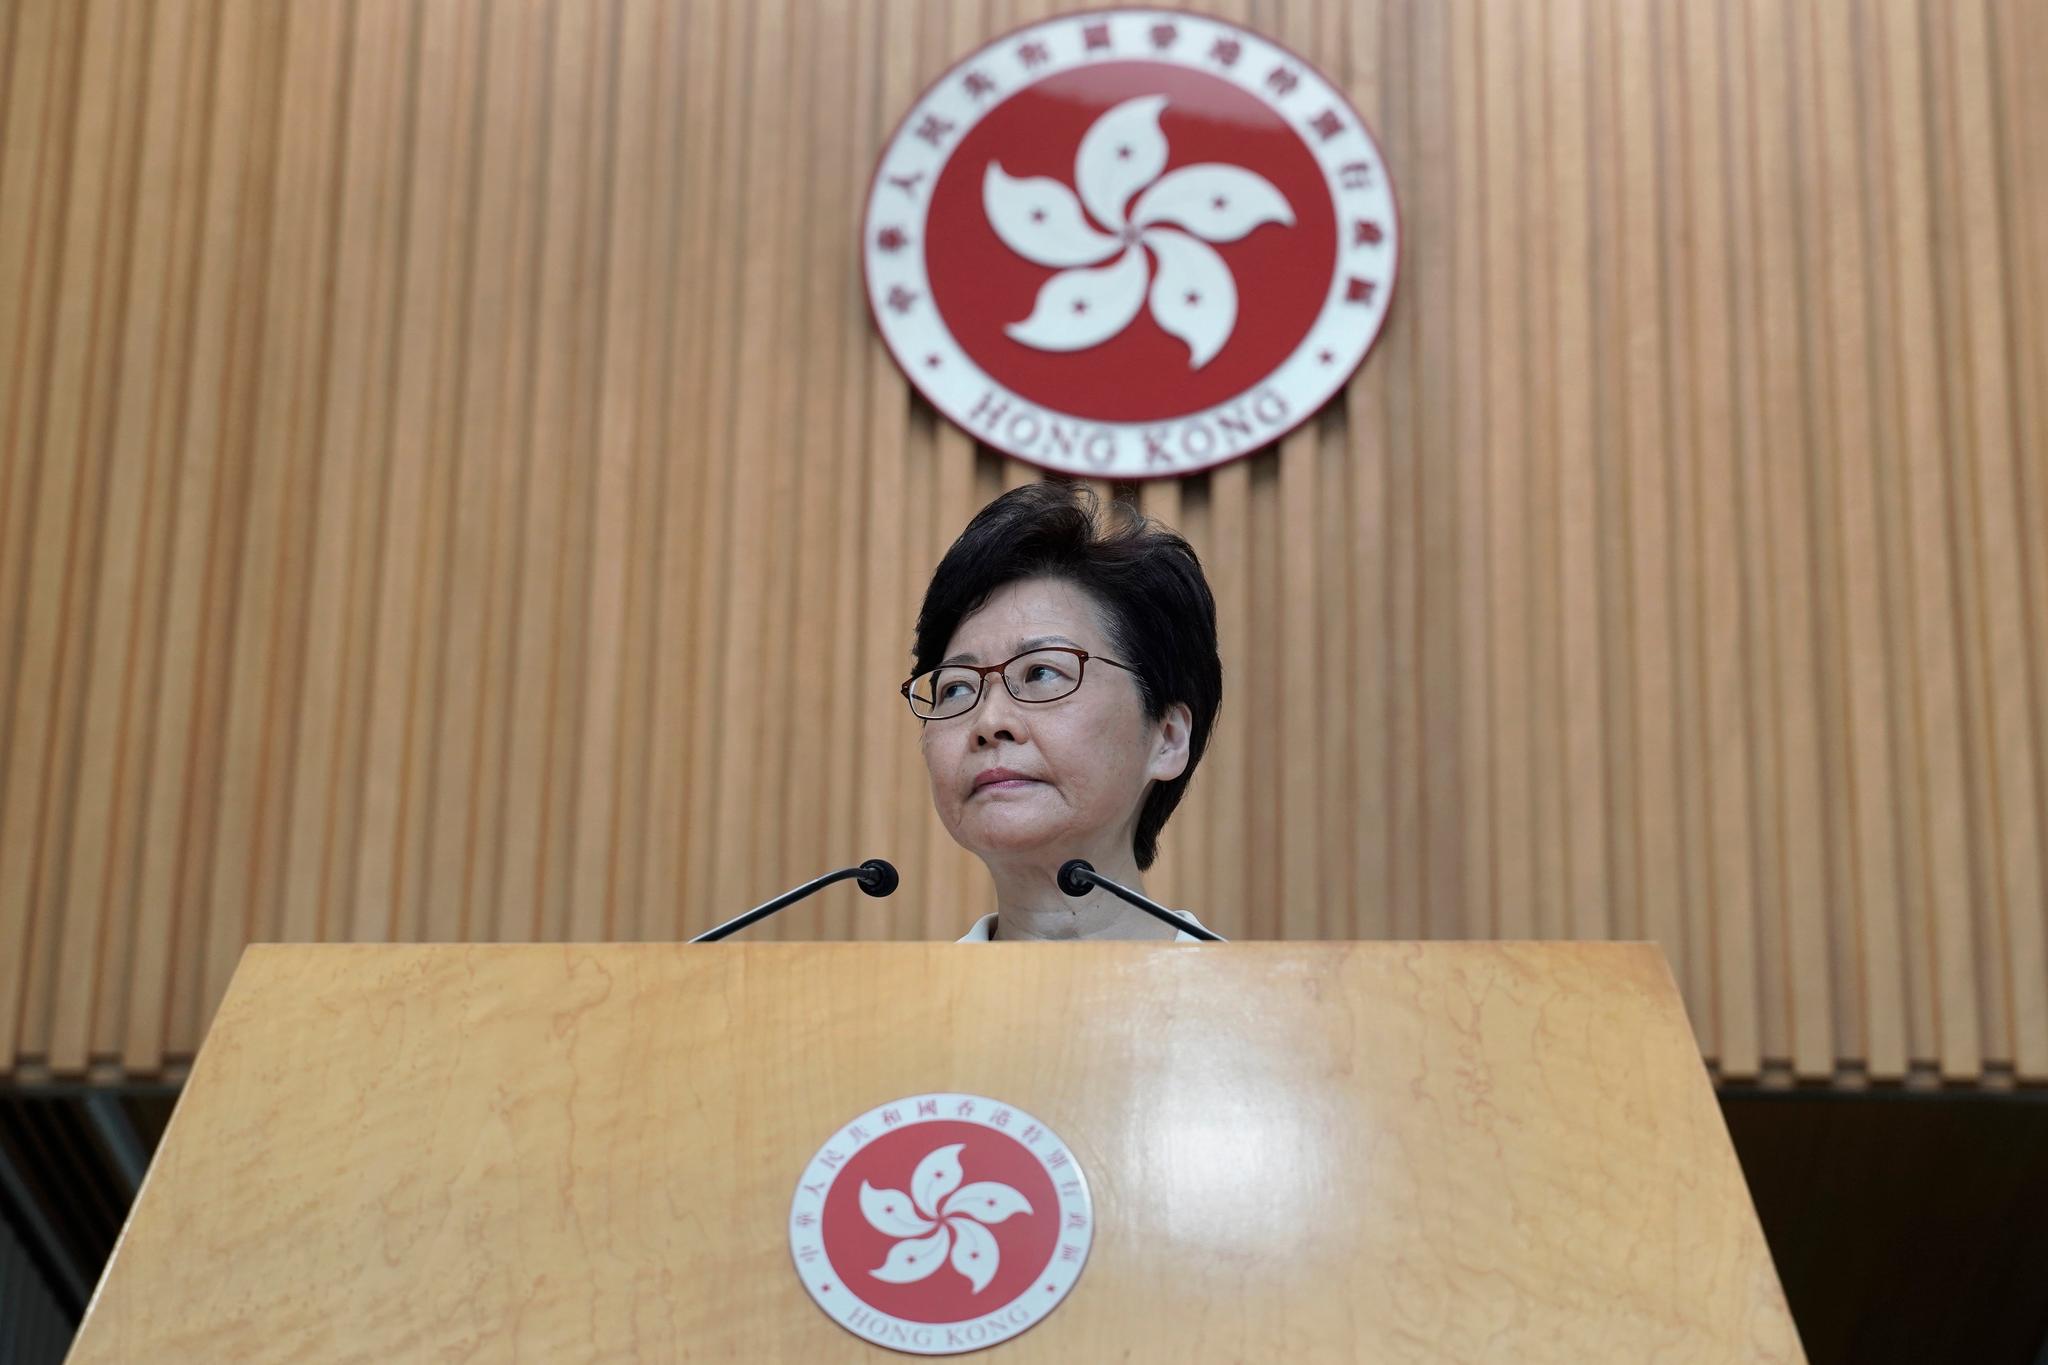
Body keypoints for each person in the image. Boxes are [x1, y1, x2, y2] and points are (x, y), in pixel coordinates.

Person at [902, 481, 1224, 941]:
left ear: (1167, 738)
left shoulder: (1283, 1010)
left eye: (1042, 674)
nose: (990, 723)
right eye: (956, 688)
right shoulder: (892, 1011)